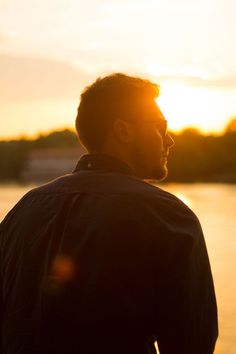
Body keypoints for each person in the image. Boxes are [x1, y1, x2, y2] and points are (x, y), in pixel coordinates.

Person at [0, 73, 218, 354]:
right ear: (123, 130)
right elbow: (192, 344)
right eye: (160, 127)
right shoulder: (167, 216)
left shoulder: (21, 211)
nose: (170, 140)